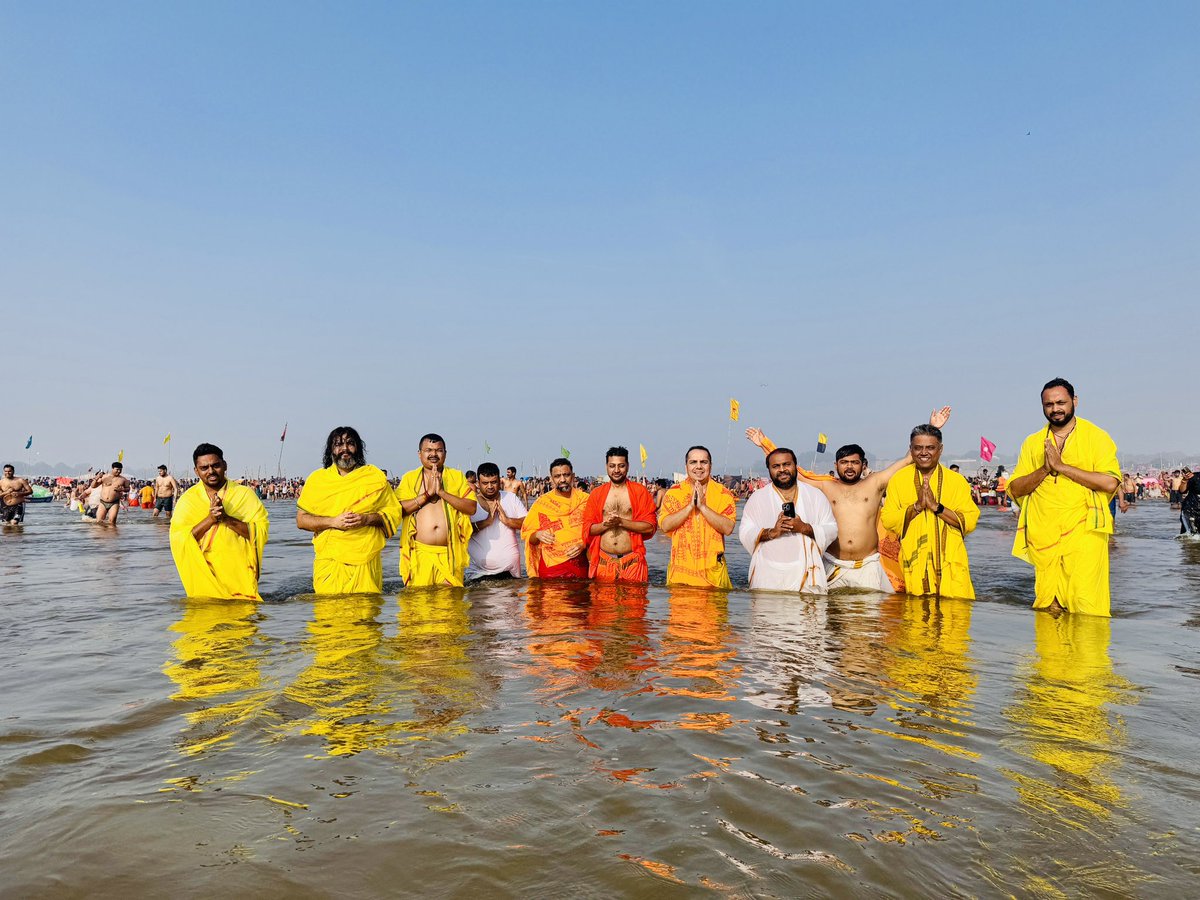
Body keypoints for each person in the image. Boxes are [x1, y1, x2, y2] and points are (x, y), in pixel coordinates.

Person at [745, 407, 951, 593]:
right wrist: (765, 444)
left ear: (863, 464)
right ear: (836, 465)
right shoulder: (827, 486)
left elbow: (908, 459)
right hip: (833, 564)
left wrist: (932, 427)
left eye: (854, 462)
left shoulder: (876, 482)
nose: (849, 467)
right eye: (844, 462)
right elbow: (791, 470)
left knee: (871, 626)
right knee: (829, 625)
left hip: (868, 565)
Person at [1007, 378, 1121, 617]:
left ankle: (1088, 655)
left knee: (1086, 605)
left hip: (1085, 531)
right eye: (1049, 404)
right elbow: (1015, 489)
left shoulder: (1096, 437)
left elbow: (1110, 482)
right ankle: (1052, 656)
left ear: (1074, 401)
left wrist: (1062, 467)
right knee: (1050, 607)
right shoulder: (1032, 442)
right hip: (1044, 533)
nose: (1055, 408)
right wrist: (1045, 469)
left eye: (1061, 402)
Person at [296, 426, 401, 594]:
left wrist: (366, 519)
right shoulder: (317, 480)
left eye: (350, 443)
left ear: (358, 447)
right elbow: (301, 520)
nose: (344, 449)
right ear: (331, 450)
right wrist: (333, 522)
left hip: (366, 561)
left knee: (366, 614)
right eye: (338, 444)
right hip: (329, 561)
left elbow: (393, 513)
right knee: (328, 613)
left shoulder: (373, 478)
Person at [880, 424, 979, 599]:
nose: (923, 453)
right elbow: (888, 520)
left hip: (951, 563)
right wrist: (917, 507)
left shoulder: (956, 481)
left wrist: (936, 507)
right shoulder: (899, 480)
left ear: (940, 450)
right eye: (918, 448)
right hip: (914, 561)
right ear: (911, 449)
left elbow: (970, 521)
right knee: (916, 619)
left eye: (930, 448)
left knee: (955, 620)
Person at [169, 443, 269, 600]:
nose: (211, 471)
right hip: (205, 576)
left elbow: (259, 532)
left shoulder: (244, 495)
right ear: (196, 471)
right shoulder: (188, 500)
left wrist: (226, 519)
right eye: (204, 468)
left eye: (216, 465)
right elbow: (179, 540)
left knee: (244, 621)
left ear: (225, 465)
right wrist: (210, 520)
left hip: (239, 575)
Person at [739, 447, 838, 592]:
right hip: (767, 576)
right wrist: (772, 532)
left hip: (807, 577)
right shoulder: (757, 498)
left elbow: (832, 529)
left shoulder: (815, 495)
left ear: (795, 466)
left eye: (786, 464)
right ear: (769, 470)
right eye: (776, 466)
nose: (782, 469)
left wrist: (804, 528)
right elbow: (745, 532)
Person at [395, 434, 477, 587]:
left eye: (439, 450)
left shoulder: (456, 477)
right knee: (419, 604)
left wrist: (441, 493)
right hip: (419, 554)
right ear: (420, 453)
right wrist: (427, 494)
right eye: (428, 450)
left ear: (445, 453)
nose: (433, 454)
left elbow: (471, 507)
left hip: (450, 554)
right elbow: (398, 510)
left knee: (450, 605)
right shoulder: (409, 478)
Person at [658, 446, 737, 587]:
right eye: (693, 462)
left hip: (713, 573)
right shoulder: (674, 492)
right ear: (686, 466)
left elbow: (728, 528)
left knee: (716, 608)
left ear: (710, 466)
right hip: (681, 573)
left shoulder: (723, 493)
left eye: (703, 462)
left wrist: (703, 507)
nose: (699, 467)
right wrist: (689, 507)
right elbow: (665, 525)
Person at [580, 446, 658, 582]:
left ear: (627, 466)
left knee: (635, 601)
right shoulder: (596, 494)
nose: (616, 470)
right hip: (604, 561)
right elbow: (588, 529)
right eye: (612, 466)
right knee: (602, 602)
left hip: (632, 560)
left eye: (621, 466)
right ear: (606, 467)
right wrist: (606, 524)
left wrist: (622, 522)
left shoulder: (639, 491)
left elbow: (650, 526)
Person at [521, 457, 590, 579]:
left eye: (566, 475)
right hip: (551, 567)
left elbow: (596, 531)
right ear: (552, 479)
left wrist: (583, 545)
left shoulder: (585, 500)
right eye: (558, 476)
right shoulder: (542, 503)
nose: (563, 479)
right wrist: (537, 535)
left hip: (580, 565)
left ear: (573, 476)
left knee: (582, 597)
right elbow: (528, 537)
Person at [466, 462, 526, 581]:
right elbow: (460, 531)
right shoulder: (470, 503)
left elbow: (529, 523)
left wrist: (508, 521)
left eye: (493, 482)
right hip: (477, 574)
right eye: (485, 483)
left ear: (500, 481)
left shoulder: (511, 498)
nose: (490, 486)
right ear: (478, 483)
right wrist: (486, 522)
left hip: (510, 573)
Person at [1180, 470, 1200, 536]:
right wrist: (1185, 480)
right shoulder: (1194, 476)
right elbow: (1182, 491)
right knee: (1188, 534)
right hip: (1191, 509)